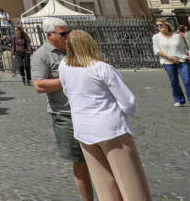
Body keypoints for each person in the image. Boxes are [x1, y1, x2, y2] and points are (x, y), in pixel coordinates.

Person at [60, 31, 151, 201]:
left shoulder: (64, 65)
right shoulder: (101, 68)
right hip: (111, 129)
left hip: (83, 130)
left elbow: (67, 92)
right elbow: (128, 102)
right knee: (131, 183)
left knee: (104, 186)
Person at [31, 17, 93, 201]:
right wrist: (70, 78)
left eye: (68, 32)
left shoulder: (75, 48)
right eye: (63, 33)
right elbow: (39, 86)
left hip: (91, 111)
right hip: (66, 115)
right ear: (49, 35)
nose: (68, 36)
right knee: (81, 162)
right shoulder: (41, 55)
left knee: (101, 160)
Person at [152, 18, 190, 109]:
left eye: (161, 25)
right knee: (174, 82)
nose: (159, 27)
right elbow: (157, 50)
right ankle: (179, 100)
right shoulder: (156, 37)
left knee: (187, 81)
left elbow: (185, 48)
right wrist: (170, 57)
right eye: (157, 25)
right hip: (168, 61)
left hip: (182, 60)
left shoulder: (177, 36)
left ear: (166, 25)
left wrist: (189, 53)